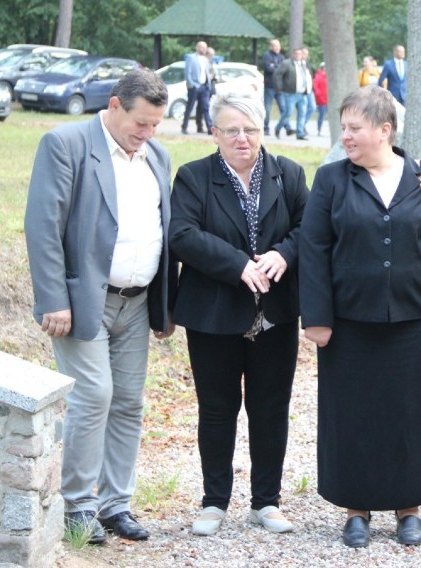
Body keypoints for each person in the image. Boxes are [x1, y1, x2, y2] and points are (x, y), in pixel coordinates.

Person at [299, 85, 421, 548]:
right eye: (344, 127)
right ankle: (356, 510)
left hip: (420, 321)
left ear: (385, 130)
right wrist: (316, 317)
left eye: (355, 128)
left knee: (414, 415)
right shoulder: (332, 179)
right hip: (350, 324)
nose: (346, 136)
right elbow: (313, 250)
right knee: (351, 416)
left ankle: (409, 508)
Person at [24, 68, 175, 544]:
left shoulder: (158, 157)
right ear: (113, 106)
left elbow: (163, 231)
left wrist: (164, 305)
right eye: (140, 124)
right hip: (82, 301)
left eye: (155, 125)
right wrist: (53, 299)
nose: (148, 134)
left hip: (138, 302)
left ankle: (116, 505)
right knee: (94, 397)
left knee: (128, 402)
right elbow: (43, 227)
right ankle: (78, 507)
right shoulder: (65, 144)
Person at [169, 92, 309, 535]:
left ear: (262, 131)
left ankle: (266, 502)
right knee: (217, 408)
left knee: (270, 408)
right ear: (215, 134)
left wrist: (284, 254)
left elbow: (311, 229)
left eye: (250, 129)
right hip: (214, 314)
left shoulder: (288, 174)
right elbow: (183, 234)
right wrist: (238, 265)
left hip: (275, 315)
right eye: (232, 130)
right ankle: (214, 502)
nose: (242, 138)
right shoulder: (193, 177)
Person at [273, 47, 310, 140]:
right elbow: (277, 74)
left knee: (302, 113)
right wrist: (279, 87)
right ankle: (278, 128)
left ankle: (300, 133)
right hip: (290, 93)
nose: (298, 56)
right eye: (296, 54)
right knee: (288, 113)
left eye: (300, 54)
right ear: (293, 54)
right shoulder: (287, 63)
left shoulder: (303, 64)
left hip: (302, 93)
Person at [182, 40, 212, 135]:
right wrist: (192, 85)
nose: (203, 49)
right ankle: (184, 127)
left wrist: (208, 84)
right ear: (197, 47)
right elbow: (188, 73)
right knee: (190, 107)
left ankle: (208, 128)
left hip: (204, 86)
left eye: (205, 47)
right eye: (201, 47)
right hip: (195, 86)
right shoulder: (191, 58)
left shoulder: (206, 59)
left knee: (205, 107)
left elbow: (207, 72)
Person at [260, 39, 285, 136]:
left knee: (283, 108)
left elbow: (282, 70)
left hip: (279, 87)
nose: (277, 47)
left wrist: (274, 66)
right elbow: (268, 69)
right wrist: (277, 68)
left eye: (278, 45)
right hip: (269, 86)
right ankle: (266, 128)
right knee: (267, 108)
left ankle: (286, 127)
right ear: (271, 47)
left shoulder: (281, 57)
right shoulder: (267, 55)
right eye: (275, 46)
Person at [196, 47, 219, 133]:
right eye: (211, 55)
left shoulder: (211, 62)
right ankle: (205, 126)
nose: (212, 57)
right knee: (203, 107)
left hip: (209, 86)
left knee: (204, 106)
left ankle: (202, 126)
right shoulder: (203, 62)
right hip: (204, 85)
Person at [312, 62, 328, 136]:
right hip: (321, 99)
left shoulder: (327, 76)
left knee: (326, 114)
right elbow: (315, 86)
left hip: (328, 99)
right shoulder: (318, 76)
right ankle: (319, 129)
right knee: (321, 115)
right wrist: (319, 96)